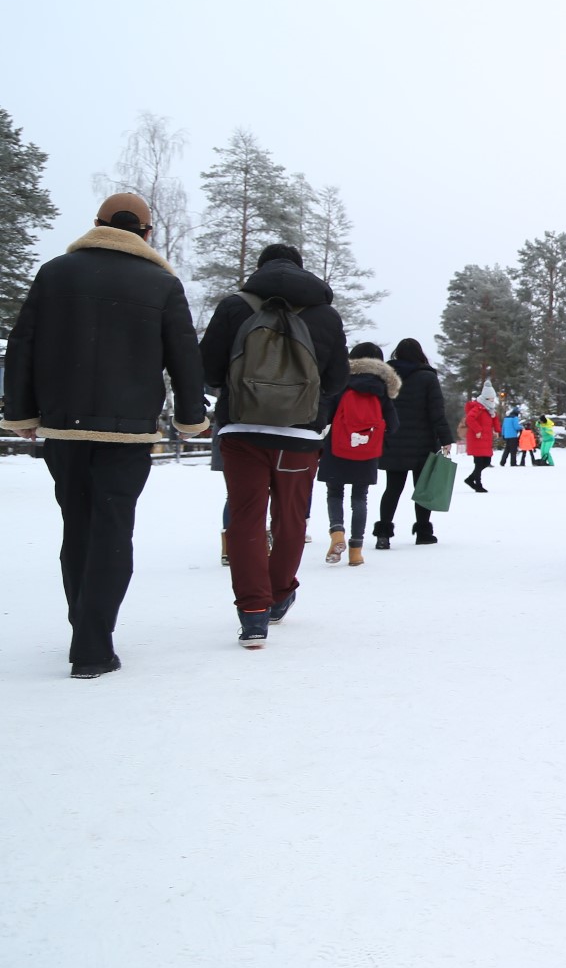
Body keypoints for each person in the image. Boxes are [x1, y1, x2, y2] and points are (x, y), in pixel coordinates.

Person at [1, 192, 208, 678]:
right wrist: (190, 420)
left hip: (63, 428)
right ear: (146, 233)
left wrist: (21, 413)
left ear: (96, 224)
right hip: (129, 434)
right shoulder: (161, 284)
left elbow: (22, 346)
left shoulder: (55, 273)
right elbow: (184, 359)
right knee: (113, 530)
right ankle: (94, 642)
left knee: (77, 527)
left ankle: (83, 627)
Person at [199, 242, 350, 648]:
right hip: (300, 436)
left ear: (260, 269)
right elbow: (337, 379)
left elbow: (208, 368)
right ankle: (280, 594)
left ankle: (252, 614)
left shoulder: (234, 306)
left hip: (242, 432)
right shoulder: (325, 315)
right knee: (291, 517)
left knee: (246, 517)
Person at [319, 342, 400, 567]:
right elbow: (393, 425)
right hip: (367, 449)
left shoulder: (341, 383)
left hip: (337, 446)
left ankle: (337, 533)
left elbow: (324, 414)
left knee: (335, 493)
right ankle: (356, 552)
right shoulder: (383, 389)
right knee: (359, 497)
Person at [375, 338, 455, 548]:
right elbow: (436, 411)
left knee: (392, 487)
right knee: (422, 487)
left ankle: (383, 533)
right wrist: (446, 438)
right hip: (422, 441)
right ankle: (423, 532)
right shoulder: (427, 377)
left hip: (393, 439)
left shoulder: (387, 377)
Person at [462, 393, 495, 491]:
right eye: (491, 398)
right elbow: (469, 419)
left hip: (484, 440)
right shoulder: (478, 408)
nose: (493, 400)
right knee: (479, 463)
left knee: (486, 461)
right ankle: (478, 485)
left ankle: (470, 479)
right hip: (476, 440)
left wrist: (494, 430)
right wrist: (478, 430)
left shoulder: (488, 409)